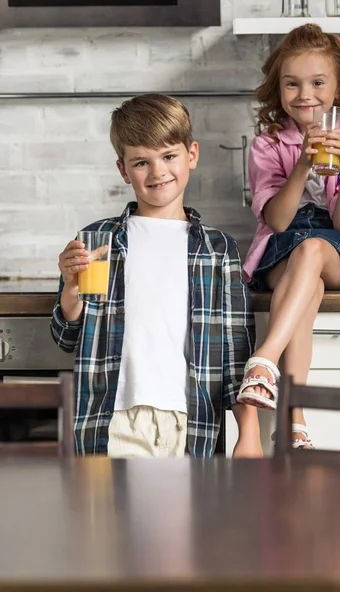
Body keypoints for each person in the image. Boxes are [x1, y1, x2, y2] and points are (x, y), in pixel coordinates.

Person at [51, 93, 262, 458]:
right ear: (123, 170)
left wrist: (250, 434)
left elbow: (235, 354)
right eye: (141, 162)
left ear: (191, 154)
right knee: (108, 517)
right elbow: (67, 337)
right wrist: (71, 290)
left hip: (191, 424)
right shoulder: (98, 241)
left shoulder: (218, 249)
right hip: (112, 423)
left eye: (168, 156)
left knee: (185, 518)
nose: (158, 172)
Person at [237, 24, 340, 448]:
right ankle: (294, 417)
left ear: (338, 87)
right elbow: (279, 222)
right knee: (307, 283)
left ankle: (263, 360)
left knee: (316, 247)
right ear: (278, 88)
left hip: (339, 247)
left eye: (318, 82)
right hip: (284, 247)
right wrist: (302, 166)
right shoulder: (267, 145)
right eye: (292, 83)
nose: (305, 93)